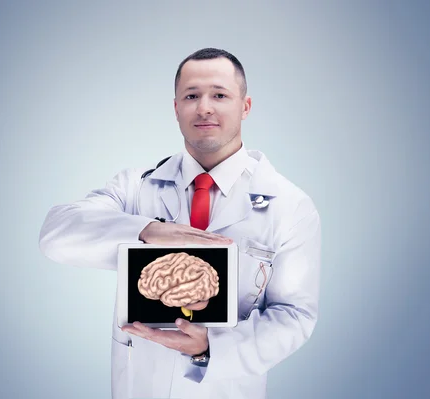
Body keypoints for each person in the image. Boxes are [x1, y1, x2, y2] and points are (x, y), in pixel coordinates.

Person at [39, 47, 322, 399]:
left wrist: (210, 347)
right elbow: (56, 233)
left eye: (219, 95)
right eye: (191, 96)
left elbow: (294, 315)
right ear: (176, 108)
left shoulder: (290, 205)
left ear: (245, 106)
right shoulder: (135, 187)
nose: (204, 107)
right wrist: (145, 230)